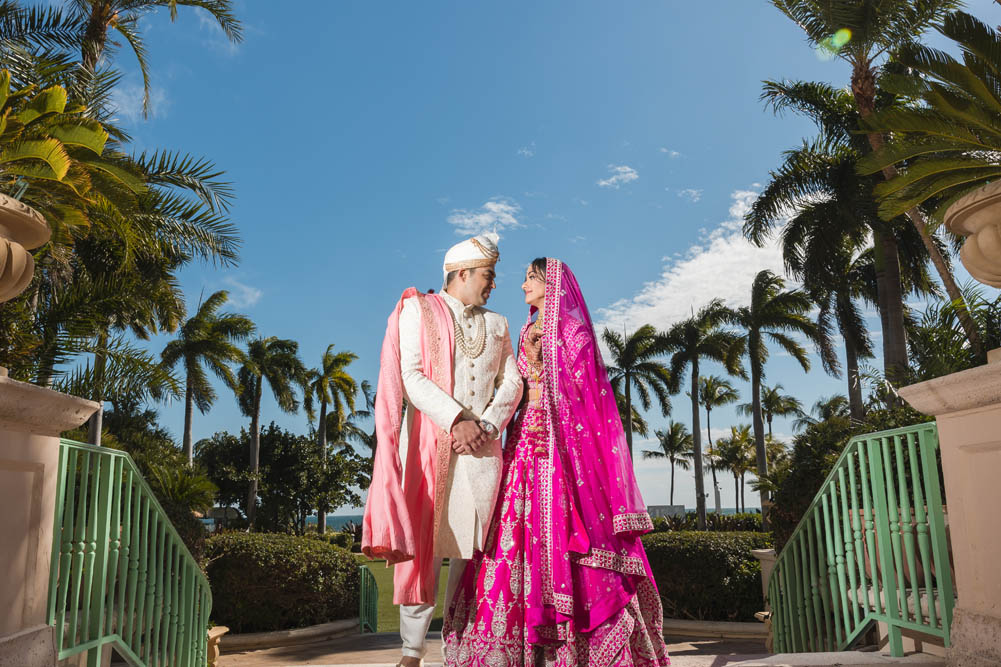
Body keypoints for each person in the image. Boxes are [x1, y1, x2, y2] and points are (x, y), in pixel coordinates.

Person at [443, 258, 671, 667]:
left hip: (559, 450)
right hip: (520, 448)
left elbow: (586, 397)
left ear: (551, 283)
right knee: (510, 539)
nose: (523, 285)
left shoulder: (574, 333)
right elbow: (513, 386)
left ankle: (577, 646)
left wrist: (551, 398)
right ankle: (512, 649)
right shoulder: (526, 330)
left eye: (531, 278)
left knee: (563, 538)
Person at [362, 233, 524, 666]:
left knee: (472, 559)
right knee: (426, 553)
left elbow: (513, 381)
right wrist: (458, 419)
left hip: (484, 455)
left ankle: (461, 647)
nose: (493, 285)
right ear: (463, 273)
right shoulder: (419, 310)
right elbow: (412, 376)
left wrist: (486, 424)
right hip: (433, 448)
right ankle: (411, 653)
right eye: (488, 276)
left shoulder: (499, 324)